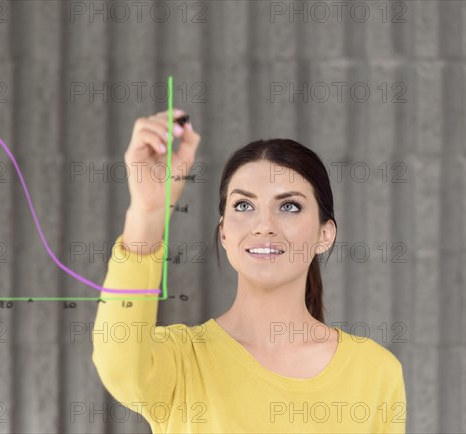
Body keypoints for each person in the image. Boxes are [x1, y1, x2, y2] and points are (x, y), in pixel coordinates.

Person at [92, 109, 407, 433]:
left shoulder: (376, 372)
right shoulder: (180, 360)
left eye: (289, 206)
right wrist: (148, 211)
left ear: (324, 235)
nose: (263, 226)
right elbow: (118, 364)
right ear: (224, 233)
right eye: (244, 206)